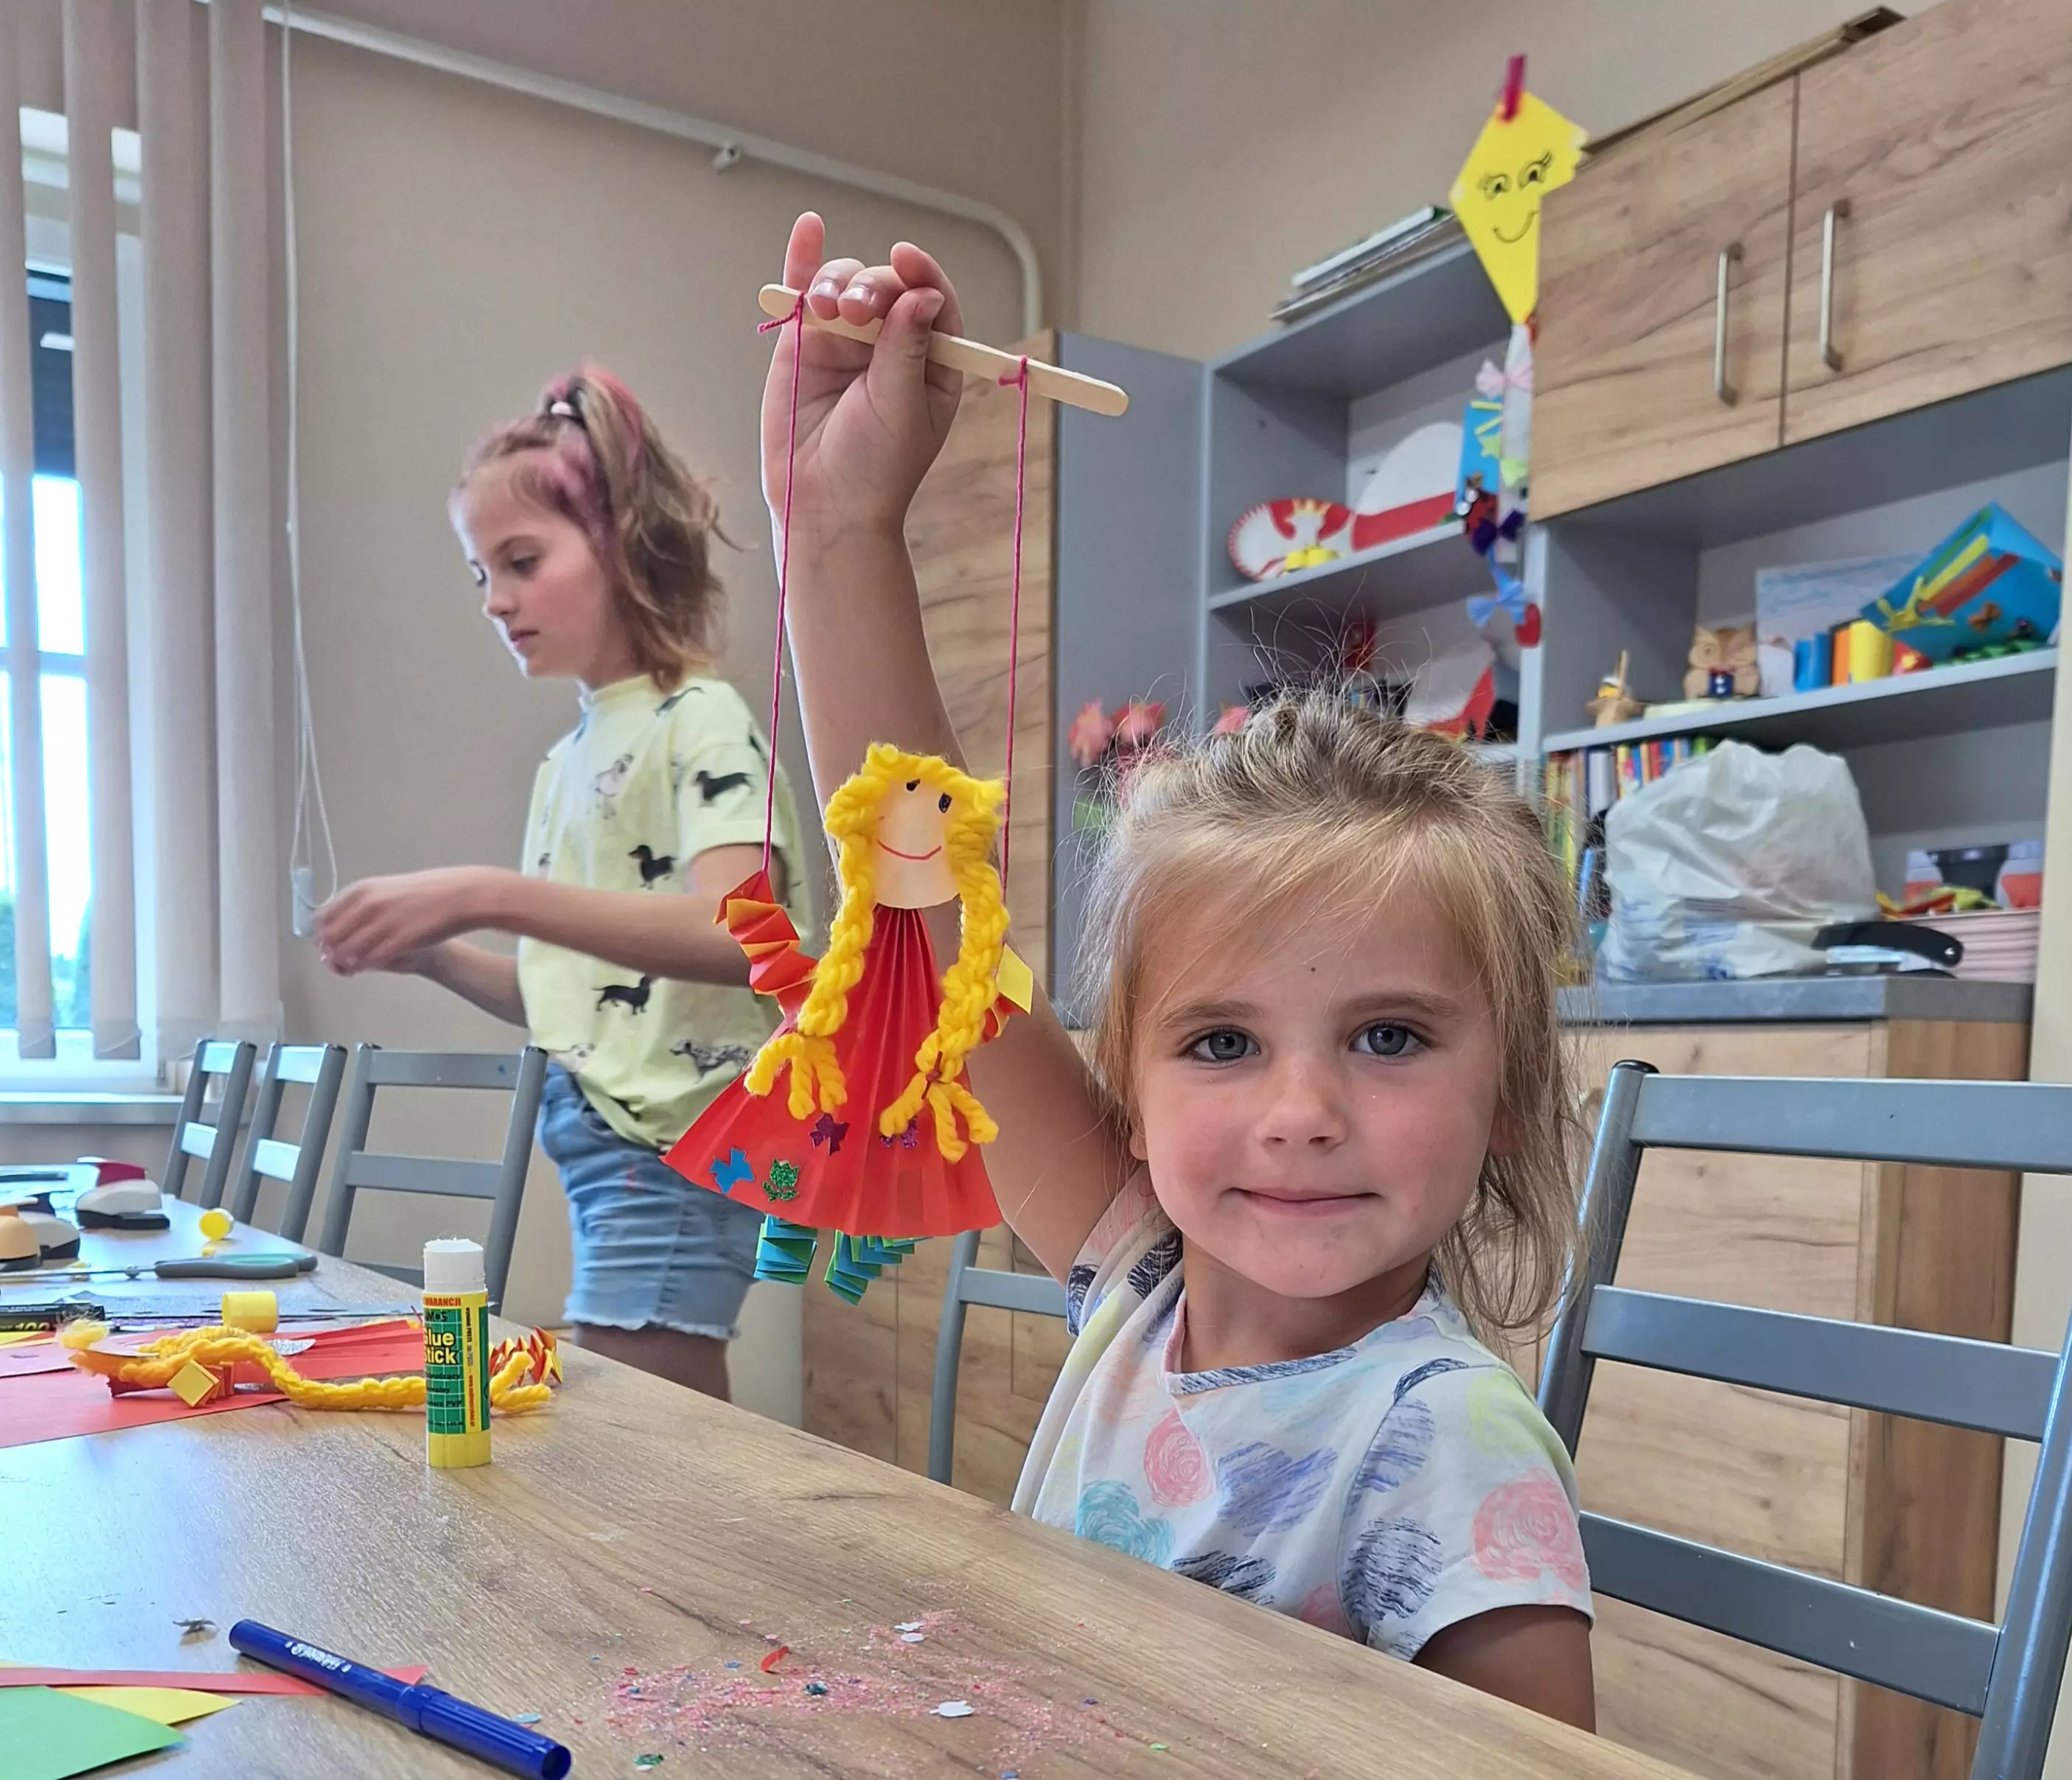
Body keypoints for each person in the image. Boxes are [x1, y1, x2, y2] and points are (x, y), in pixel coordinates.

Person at [755, 214, 1595, 1727]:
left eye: (1389, 1036)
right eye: (1220, 1042)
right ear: (1129, 1090)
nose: (1299, 1112)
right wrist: (837, 529)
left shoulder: (1451, 1452)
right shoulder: (1139, 1276)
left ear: (1513, 1094)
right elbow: (920, 900)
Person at [317, 366, 811, 1401]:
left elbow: (746, 937)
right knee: (639, 1431)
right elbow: (578, 1000)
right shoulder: (569, 760)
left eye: (522, 561)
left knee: (644, 1437)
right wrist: (440, 956)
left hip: (681, 1143)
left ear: (625, 542)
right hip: (609, 1141)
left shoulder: (699, 721)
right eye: (480, 573)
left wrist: (487, 892)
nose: (494, 600)